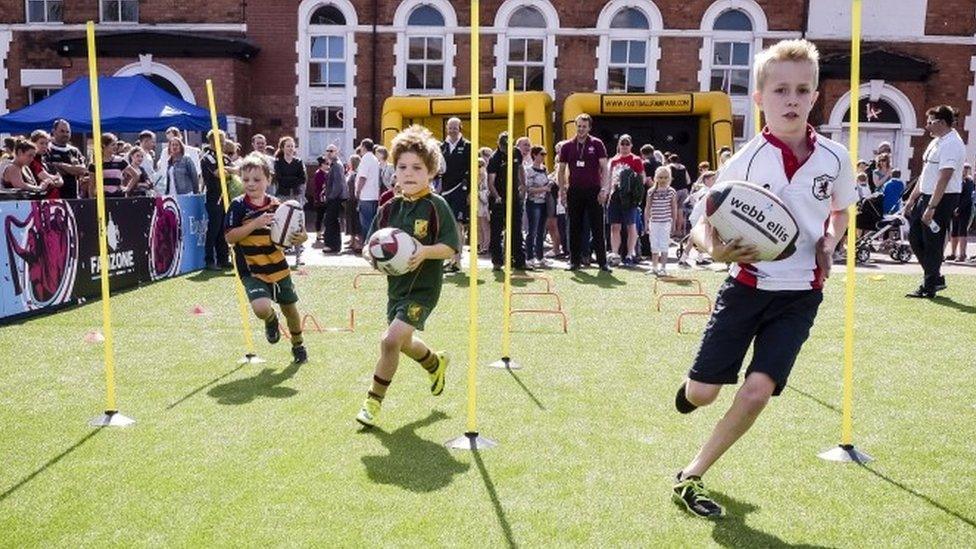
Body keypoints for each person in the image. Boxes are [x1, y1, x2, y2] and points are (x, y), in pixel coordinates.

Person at [671, 39, 857, 519]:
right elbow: (700, 222)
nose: (791, 99)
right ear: (759, 100)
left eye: (801, 90)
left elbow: (840, 210)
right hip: (746, 289)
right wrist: (713, 248)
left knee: (757, 391)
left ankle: (691, 474)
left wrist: (831, 242)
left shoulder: (835, 158)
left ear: (815, 95)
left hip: (800, 296)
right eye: (780, 91)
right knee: (702, 394)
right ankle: (693, 389)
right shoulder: (744, 163)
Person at [355, 125, 459, 427]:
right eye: (402, 167)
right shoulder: (389, 208)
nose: (409, 173)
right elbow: (369, 246)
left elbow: (451, 247)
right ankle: (434, 362)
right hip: (396, 289)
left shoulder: (435, 206)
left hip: (424, 289)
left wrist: (425, 251)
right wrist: (371, 258)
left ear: (431, 171)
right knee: (402, 341)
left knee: (390, 341)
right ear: (394, 171)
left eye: (417, 167)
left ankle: (372, 402)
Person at [224, 154, 309, 364]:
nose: (251, 184)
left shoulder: (279, 206)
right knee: (261, 308)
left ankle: (298, 345)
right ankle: (271, 319)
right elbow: (229, 237)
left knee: (290, 309)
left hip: (278, 267)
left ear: (268, 180)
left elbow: (301, 233)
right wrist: (255, 224)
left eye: (256, 179)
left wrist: (301, 236)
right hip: (252, 270)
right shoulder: (238, 206)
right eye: (246, 180)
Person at [904, 105, 964, 298]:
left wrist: (932, 207)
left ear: (942, 123)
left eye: (931, 122)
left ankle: (929, 286)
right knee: (915, 237)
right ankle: (935, 277)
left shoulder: (952, 143)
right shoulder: (936, 142)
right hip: (926, 195)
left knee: (932, 242)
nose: (927, 126)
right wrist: (912, 199)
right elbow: (926, 173)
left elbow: (944, 176)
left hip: (942, 198)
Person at [557, 113, 611, 272]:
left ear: (589, 127)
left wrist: (604, 189)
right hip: (574, 190)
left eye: (584, 126)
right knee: (574, 226)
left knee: (597, 226)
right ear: (576, 126)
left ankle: (602, 262)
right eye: (579, 126)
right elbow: (561, 170)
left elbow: (605, 168)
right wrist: (562, 191)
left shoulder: (597, 143)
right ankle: (574, 262)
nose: (581, 129)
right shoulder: (567, 146)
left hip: (594, 190)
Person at [487, 131, 528, 271]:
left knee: (516, 229)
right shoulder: (494, 158)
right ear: (499, 144)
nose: (506, 148)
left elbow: (521, 169)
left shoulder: (516, 153)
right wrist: (497, 197)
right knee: (497, 231)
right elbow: (490, 182)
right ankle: (497, 261)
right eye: (503, 145)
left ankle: (519, 260)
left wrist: (523, 184)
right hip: (499, 199)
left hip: (514, 197)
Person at [439, 118, 471, 273]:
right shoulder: (441, 147)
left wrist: (470, 192)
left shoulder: (468, 146)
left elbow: (473, 171)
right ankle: (450, 258)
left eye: (455, 127)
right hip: (444, 191)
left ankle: (457, 261)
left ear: (460, 128)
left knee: (458, 225)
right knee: (447, 225)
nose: (452, 130)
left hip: (460, 190)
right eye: (450, 127)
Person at [607, 134, 645, 265]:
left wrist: (636, 196)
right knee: (614, 226)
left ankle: (630, 254)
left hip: (629, 198)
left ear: (631, 145)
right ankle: (615, 253)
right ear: (618, 145)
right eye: (622, 143)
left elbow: (641, 179)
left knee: (631, 225)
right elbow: (608, 178)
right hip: (615, 196)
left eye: (627, 143)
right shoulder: (613, 160)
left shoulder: (636, 159)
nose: (624, 146)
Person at [201, 129, 234, 270]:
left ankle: (223, 259)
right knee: (213, 229)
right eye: (220, 140)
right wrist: (230, 171)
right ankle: (209, 260)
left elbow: (235, 171)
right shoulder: (207, 157)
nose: (223, 143)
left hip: (227, 195)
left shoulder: (225, 157)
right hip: (214, 196)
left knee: (223, 229)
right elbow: (218, 173)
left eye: (223, 140)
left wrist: (230, 171)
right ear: (212, 141)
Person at [273, 136, 308, 265]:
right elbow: (279, 179)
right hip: (282, 196)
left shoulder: (298, 162)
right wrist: (292, 179)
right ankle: (281, 257)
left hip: (296, 196)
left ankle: (299, 257)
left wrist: (290, 179)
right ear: (282, 148)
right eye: (288, 146)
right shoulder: (278, 162)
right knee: (281, 225)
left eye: (292, 146)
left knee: (298, 225)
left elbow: (302, 179)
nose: (290, 148)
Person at [644, 166, 677, 276]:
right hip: (654, 222)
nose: (663, 180)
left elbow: (674, 208)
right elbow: (647, 207)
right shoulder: (651, 192)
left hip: (666, 222)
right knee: (654, 245)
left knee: (664, 244)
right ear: (656, 178)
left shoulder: (671, 191)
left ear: (669, 178)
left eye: (665, 177)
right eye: (660, 177)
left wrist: (674, 223)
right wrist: (646, 222)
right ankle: (654, 267)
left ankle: (663, 268)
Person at [45, 119, 87, 199]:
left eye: (67, 132)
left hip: (72, 196)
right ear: (54, 132)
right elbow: (50, 170)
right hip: (53, 198)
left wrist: (60, 165)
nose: (65, 134)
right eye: (62, 131)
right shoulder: (47, 149)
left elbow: (82, 170)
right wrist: (72, 169)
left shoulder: (74, 151)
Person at [524, 146, 550, 268]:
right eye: (541, 154)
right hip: (533, 203)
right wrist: (543, 189)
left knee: (541, 231)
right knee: (532, 231)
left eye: (545, 154)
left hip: (544, 202)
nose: (543, 156)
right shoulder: (529, 170)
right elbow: (528, 189)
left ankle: (540, 256)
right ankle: (529, 256)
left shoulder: (544, 169)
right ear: (534, 155)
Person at [321, 146, 346, 253]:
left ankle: (331, 245)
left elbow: (338, 185)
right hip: (334, 197)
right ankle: (334, 245)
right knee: (333, 221)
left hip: (335, 198)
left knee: (330, 221)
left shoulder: (336, 165)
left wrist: (330, 196)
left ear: (337, 152)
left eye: (331, 151)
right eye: (327, 151)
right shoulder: (334, 164)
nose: (329, 153)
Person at [947, 163, 974, 261]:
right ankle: (953, 253)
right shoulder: (956, 180)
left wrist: (959, 209)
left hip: (965, 209)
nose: (965, 170)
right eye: (964, 168)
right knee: (954, 231)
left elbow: (967, 197)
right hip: (954, 209)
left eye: (967, 169)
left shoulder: (969, 181)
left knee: (962, 231)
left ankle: (962, 254)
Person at [88, 133, 129, 198]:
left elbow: (135, 175)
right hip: (102, 197)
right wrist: (91, 201)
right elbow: (91, 186)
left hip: (118, 196)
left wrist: (127, 188)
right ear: (104, 146)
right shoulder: (94, 164)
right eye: (113, 145)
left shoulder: (120, 161)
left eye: (116, 144)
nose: (116, 147)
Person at [356, 138, 382, 238]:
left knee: (366, 223)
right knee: (372, 222)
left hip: (366, 196)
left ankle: (367, 243)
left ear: (364, 147)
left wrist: (358, 191)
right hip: (374, 195)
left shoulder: (365, 158)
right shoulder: (375, 159)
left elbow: (363, 177)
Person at [27, 130, 64, 199]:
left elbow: (61, 181)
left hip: (53, 200)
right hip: (38, 200)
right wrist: (55, 179)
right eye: (41, 143)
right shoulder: (31, 161)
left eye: (46, 144)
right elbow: (46, 177)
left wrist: (54, 180)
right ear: (33, 143)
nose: (44, 146)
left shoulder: (46, 161)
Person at [667, 153, 692, 238]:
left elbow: (668, 179)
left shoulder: (670, 167)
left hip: (674, 191)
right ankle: (679, 230)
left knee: (672, 211)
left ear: (670, 160)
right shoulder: (683, 167)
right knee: (680, 211)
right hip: (684, 190)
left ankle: (672, 231)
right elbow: (688, 181)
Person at [345, 154, 363, 253]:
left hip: (354, 199)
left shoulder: (357, 174)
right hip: (349, 199)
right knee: (349, 220)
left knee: (355, 220)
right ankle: (352, 241)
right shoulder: (350, 173)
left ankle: (357, 242)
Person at [477, 157, 490, 255]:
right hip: (477, 202)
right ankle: (480, 246)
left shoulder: (485, 175)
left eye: (480, 165)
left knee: (485, 226)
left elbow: (485, 190)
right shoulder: (477, 176)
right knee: (479, 226)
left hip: (483, 202)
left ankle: (486, 246)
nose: (478, 168)